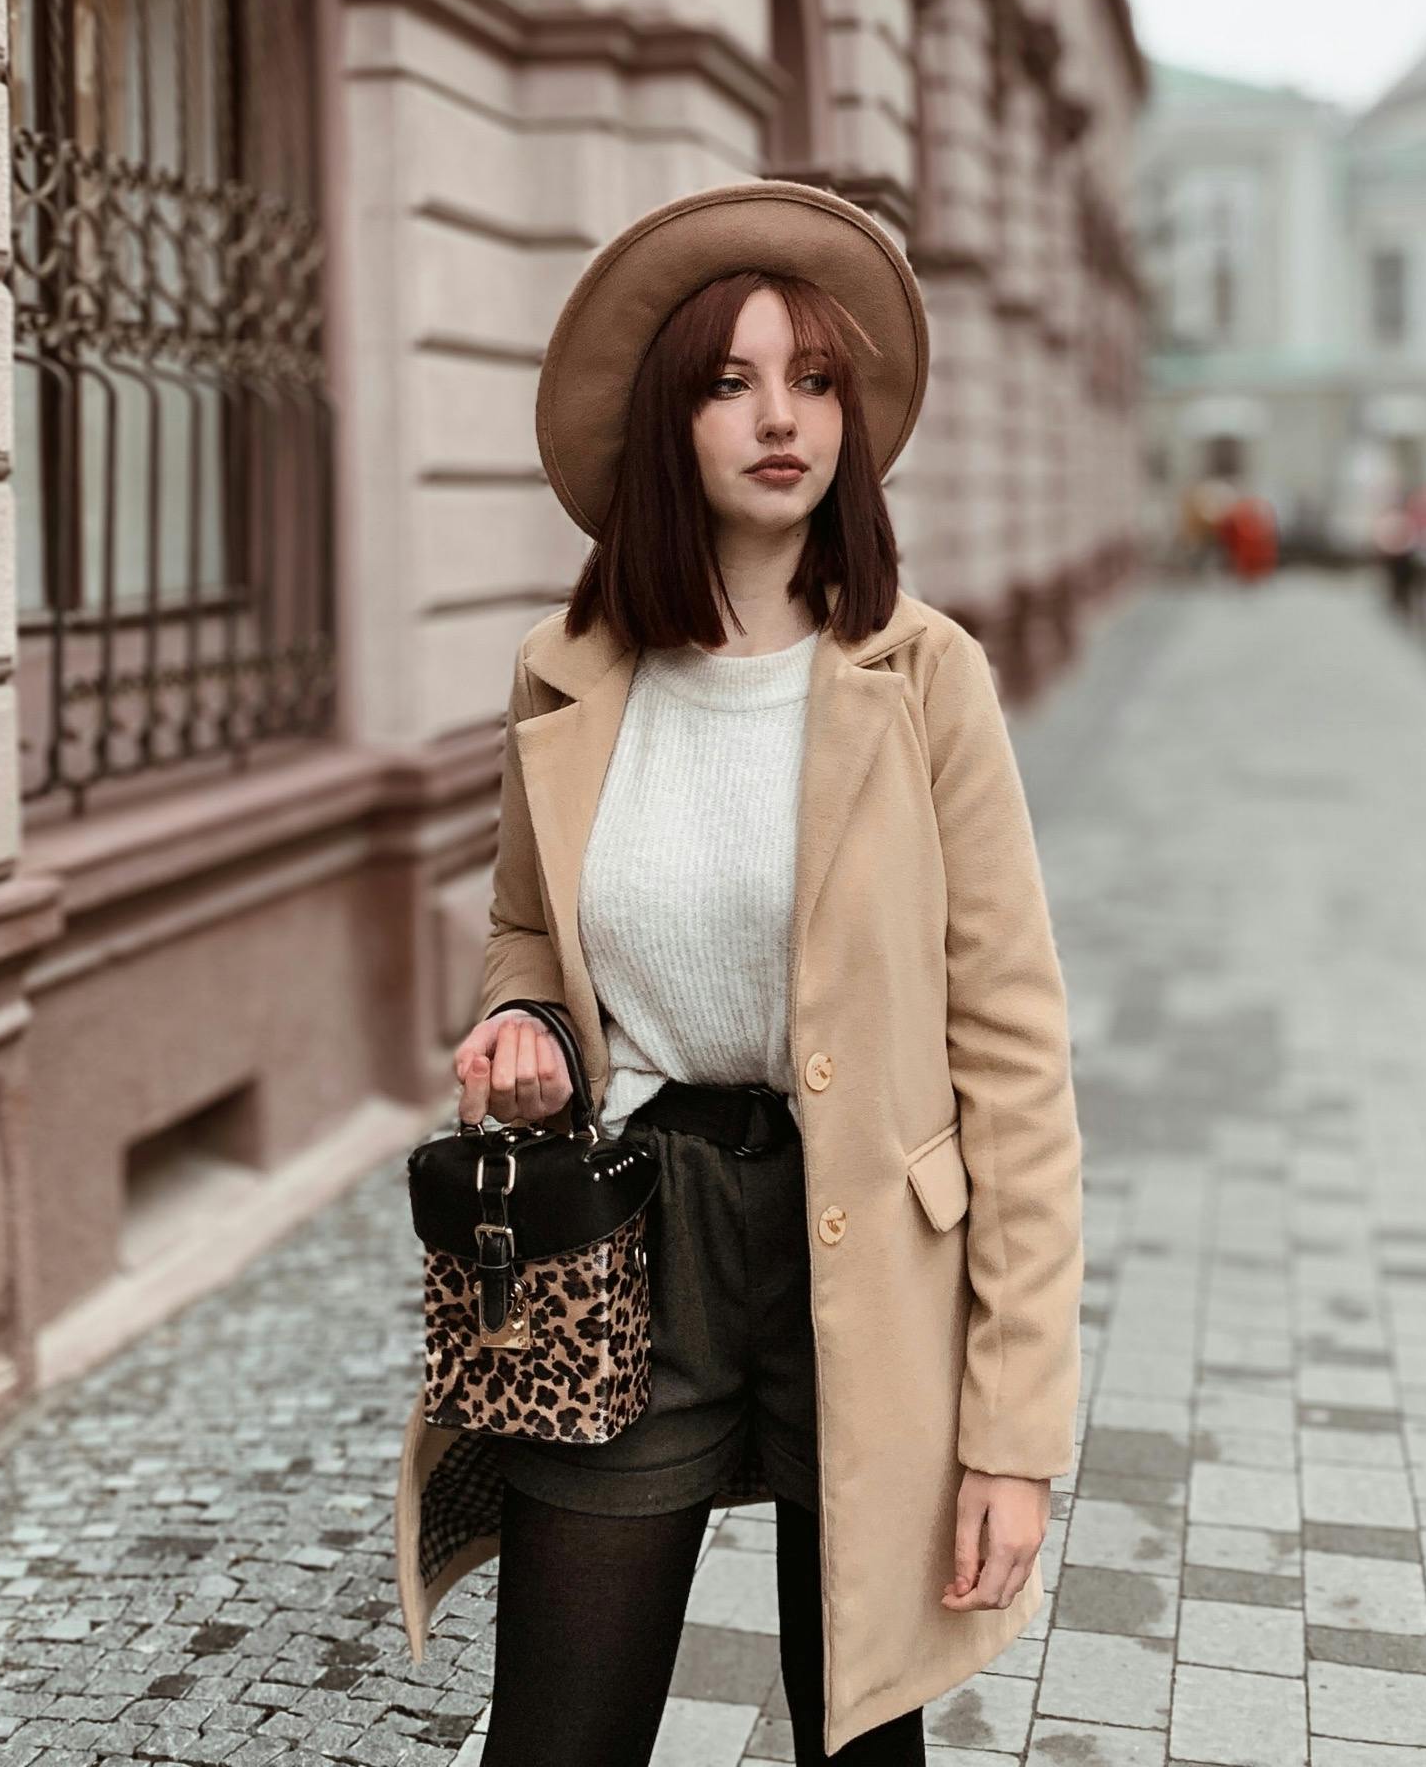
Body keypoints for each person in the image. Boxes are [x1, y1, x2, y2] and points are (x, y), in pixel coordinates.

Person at [391, 179, 1083, 1765]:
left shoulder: (927, 680)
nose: (783, 419)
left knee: (860, 1746)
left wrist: (1014, 1434)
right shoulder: (568, 672)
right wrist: (521, 1023)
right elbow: (522, 929)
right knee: (559, 1737)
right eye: (732, 381)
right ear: (670, 422)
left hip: (872, 1252)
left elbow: (1019, 1064)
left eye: (815, 380)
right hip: (633, 1238)